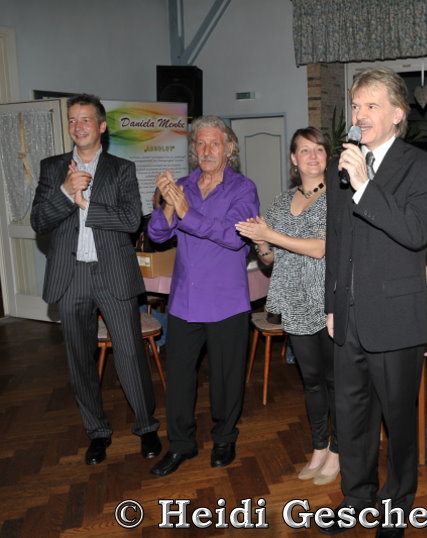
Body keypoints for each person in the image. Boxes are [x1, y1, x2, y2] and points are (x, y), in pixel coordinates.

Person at [323, 67, 427, 537]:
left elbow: (416, 233)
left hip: (395, 318)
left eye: (371, 105)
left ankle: (396, 505)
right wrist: (332, 303)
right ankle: (356, 498)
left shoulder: (422, 167)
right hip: (348, 317)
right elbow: (337, 240)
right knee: (351, 417)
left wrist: (365, 185)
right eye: (356, 106)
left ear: (397, 114)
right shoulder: (343, 163)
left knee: (398, 422)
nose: (360, 115)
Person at [30, 93, 161, 465]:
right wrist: (66, 192)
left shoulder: (121, 169)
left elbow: (131, 220)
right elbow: (39, 221)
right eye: (72, 120)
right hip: (70, 277)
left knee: (130, 354)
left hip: (113, 275)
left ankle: (146, 426)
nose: (78, 126)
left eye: (85, 119)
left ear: (101, 126)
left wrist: (87, 204)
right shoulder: (53, 168)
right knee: (80, 360)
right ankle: (97, 433)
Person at [147, 116, 260, 477]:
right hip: (185, 300)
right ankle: (181, 444)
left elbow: (234, 236)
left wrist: (185, 211)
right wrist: (169, 204)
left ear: (229, 148)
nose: (207, 150)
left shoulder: (243, 189)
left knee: (227, 378)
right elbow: (157, 235)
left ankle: (224, 437)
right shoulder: (183, 185)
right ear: (194, 149)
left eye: (215, 143)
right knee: (179, 377)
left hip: (226, 300)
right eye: (200, 143)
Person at [235, 127, 339, 485]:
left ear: (327, 157)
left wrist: (271, 235)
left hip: (329, 300)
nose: (313, 156)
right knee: (312, 381)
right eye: (305, 150)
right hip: (294, 299)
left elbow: (320, 248)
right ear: (294, 158)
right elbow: (270, 259)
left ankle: (338, 450)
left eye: (319, 149)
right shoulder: (280, 202)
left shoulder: (338, 197)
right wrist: (261, 241)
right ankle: (319, 446)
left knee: (335, 380)